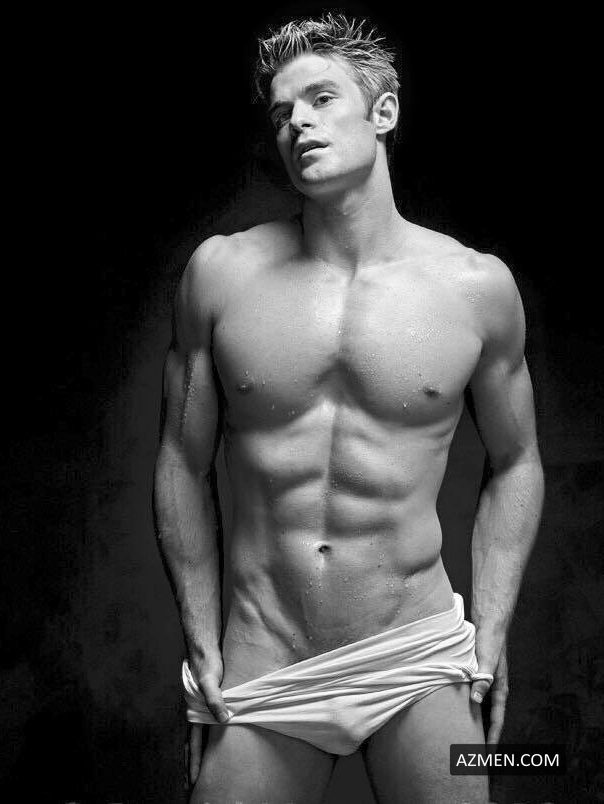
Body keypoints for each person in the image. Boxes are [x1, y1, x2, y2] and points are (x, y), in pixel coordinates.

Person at [153, 13, 544, 803]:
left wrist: (492, 631)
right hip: (267, 658)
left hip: (417, 656)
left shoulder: (476, 288)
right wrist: (200, 644)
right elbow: (180, 464)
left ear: (384, 112)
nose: (296, 122)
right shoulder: (220, 275)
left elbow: (518, 461)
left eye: (321, 98)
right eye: (281, 112)